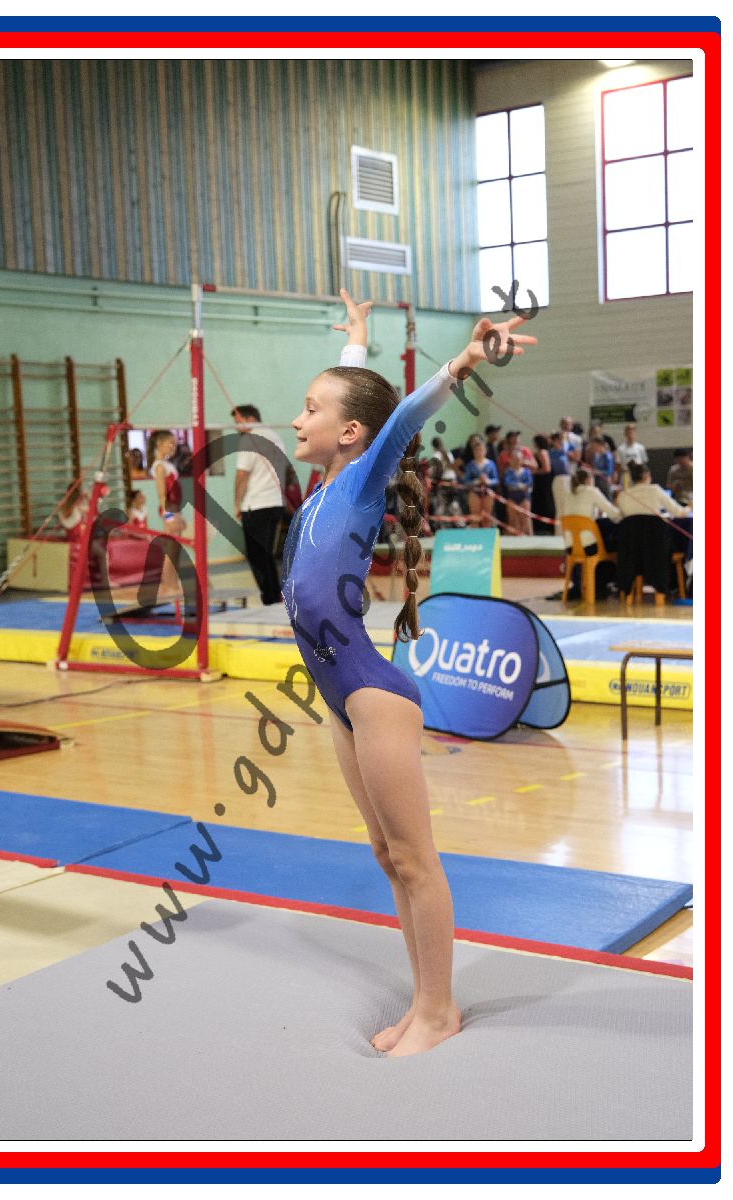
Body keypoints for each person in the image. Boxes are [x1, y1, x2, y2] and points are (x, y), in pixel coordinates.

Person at [282, 287, 537, 1058]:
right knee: (386, 855)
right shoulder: (326, 486)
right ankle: (425, 1000)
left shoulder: (362, 480)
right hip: (341, 700)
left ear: (347, 433)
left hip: (371, 693)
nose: (296, 419)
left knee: (415, 859)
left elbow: (394, 420)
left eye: (309, 409)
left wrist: (463, 361)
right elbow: (360, 406)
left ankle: (439, 1009)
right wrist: (355, 342)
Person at [231, 404, 287, 605]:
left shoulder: (249, 439)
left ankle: (269, 598)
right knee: (266, 555)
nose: (236, 427)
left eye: (238, 422)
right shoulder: (275, 436)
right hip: (275, 502)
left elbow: (242, 475)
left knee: (256, 556)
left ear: (249, 419)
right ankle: (274, 597)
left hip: (257, 504)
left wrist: (237, 502)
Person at [561, 466, 621, 599]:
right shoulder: (592, 491)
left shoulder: (567, 494)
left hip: (570, 548)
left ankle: (582, 586)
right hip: (588, 547)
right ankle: (603, 586)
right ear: (588, 480)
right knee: (615, 550)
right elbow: (614, 514)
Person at [147, 428, 187, 595]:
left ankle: (173, 583)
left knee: (175, 548)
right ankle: (167, 585)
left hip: (174, 508)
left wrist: (179, 514)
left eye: (175, 444)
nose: (173, 447)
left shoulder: (167, 464)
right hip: (169, 509)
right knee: (171, 549)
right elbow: (162, 495)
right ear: (160, 444)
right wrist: (168, 516)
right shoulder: (159, 467)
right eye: (170, 444)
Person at [615, 462, 692, 520]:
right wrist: (690, 507)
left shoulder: (623, 495)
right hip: (655, 535)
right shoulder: (656, 490)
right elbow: (679, 513)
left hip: (629, 536)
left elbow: (617, 519)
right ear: (646, 475)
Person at [463, 434, 499, 527]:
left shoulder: (491, 463)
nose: (479, 452)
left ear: (485, 451)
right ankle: (475, 534)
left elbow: (496, 480)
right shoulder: (470, 464)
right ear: (473, 452)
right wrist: (477, 481)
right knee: (475, 517)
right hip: (475, 492)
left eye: (481, 450)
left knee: (487, 517)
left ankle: (486, 534)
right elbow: (466, 481)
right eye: (476, 450)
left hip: (488, 492)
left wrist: (487, 481)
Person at [502, 448, 534, 534]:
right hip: (512, 497)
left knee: (525, 519)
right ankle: (513, 538)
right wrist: (520, 485)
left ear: (522, 460)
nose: (516, 461)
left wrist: (518, 486)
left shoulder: (526, 471)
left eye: (518, 459)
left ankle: (528, 537)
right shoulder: (508, 471)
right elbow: (508, 483)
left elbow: (529, 483)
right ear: (511, 460)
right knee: (512, 519)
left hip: (524, 497)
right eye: (515, 459)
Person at [529, 433, 555, 534]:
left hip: (543, 482)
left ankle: (544, 527)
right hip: (542, 481)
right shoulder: (544, 452)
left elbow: (546, 468)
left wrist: (535, 472)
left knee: (543, 502)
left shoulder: (542, 452)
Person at [614, 423, 648, 489]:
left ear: (635, 434)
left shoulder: (640, 448)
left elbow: (644, 463)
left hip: (638, 477)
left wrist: (645, 475)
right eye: (629, 433)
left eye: (632, 433)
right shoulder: (621, 449)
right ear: (625, 434)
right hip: (626, 476)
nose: (630, 435)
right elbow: (618, 465)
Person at [548, 430, 571, 523]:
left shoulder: (563, 450)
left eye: (560, 440)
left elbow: (566, 448)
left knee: (567, 504)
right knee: (560, 505)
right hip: (559, 478)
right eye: (558, 440)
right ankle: (560, 527)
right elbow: (564, 449)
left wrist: (564, 438)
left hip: (567, 478)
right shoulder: (552, 452)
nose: (560, 442)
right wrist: (564, 438)